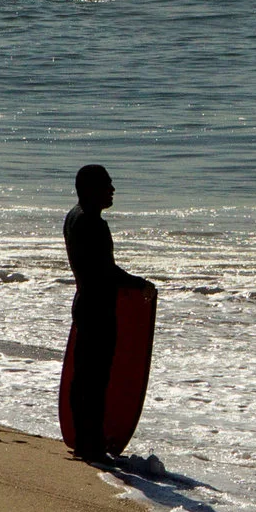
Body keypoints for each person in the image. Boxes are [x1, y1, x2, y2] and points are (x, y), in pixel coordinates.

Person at [61, 163, 156, 463]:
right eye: (107, 184)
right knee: (96, 379)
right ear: (91, 189)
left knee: (84, 377)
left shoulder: (73, 218)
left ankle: (84, 441)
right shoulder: (92, 223)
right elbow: (106, 272)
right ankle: (91, 446)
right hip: (98, 308)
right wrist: (140, 285)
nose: (112, 190)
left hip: (84, 302)